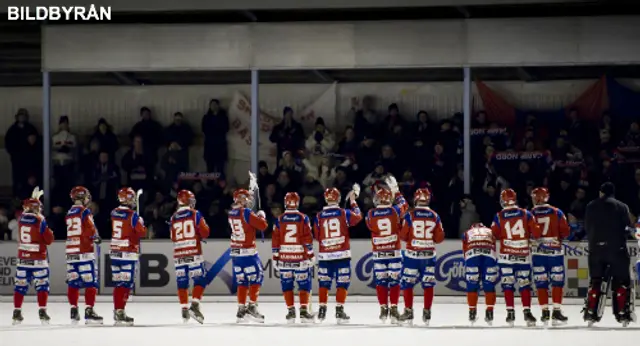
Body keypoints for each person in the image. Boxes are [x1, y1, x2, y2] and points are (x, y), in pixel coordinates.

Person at [584, 182, 634, 326]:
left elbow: (587, 227)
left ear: (601, 192)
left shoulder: (590, 206)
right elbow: (626, 227)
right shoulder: (621, 206)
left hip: (595, 249)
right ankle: (623, 313)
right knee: (621, 281)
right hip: (616, 249)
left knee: (596, 280)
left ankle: (591, 312)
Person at [491, 188, 541, 327]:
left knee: (508, 284)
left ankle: (510, 313)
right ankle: (527, 312)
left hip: (506, 255)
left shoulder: (499, 215)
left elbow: (494, 234)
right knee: (524, 284)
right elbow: (536, 232)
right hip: (523, 254)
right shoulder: (526, 213)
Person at [314, 186, 362, 324]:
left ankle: (322, 310)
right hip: (342, 255)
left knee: (324, 283)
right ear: (338, 198)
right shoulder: (343, 213)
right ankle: (339, 310)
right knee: (342, 282)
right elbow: (358, 217)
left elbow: (317, 236)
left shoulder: (318, 216)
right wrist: (353, 202)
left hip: (325, 256)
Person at [398, 188, 444, 326]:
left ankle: (408, 311)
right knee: (428, 284)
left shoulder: (410, 215)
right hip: (429, 255)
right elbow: (440, 237)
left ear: (416, 199)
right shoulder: (435, 215)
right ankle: (427, 311)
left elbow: (402, 236)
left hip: (412, 255)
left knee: (407, 284)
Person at [365, 182, 407, 324]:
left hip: (379, 253)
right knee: (395, 281)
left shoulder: (370, 214)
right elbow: (404, 205)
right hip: (394, 252)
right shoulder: (395, 210)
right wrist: (397, 192)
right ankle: (394, 309)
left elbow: (370, 226)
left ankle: (383, 308)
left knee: (381, 281)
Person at [271, 192, 315, 323]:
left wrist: (275, 257)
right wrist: (311, 255)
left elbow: (275, 240)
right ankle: (303, 312)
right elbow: (307, 239)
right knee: (304, 285)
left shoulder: (279, 219)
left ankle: (290, 312)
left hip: (284, 259)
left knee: (287, 285)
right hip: (300, 258)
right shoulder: (303, 218)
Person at [530, 187, 570, 325]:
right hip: (555, 253)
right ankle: (557, 311)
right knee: (557, 282)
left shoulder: (530, 213)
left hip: (538, 253)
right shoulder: (556, 212)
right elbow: (565, 232)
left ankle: (545, 312)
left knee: (541, 283)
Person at [227, 188, 269, 323]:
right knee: (257, 277)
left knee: (242, 280)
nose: (248, 200)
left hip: (236, 253)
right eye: (245, 197)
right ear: (239, 198)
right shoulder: (246, 212)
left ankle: (241, 309)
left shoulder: (231, 213)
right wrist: (262, 215)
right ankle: (252, 306)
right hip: (248, 252)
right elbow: (262, 225)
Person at [170, 190, 210, 324]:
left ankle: (184, 309)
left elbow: (173, 237)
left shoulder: (173, 217)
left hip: (179, 253)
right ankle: (194, 305)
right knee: (200, 280)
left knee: (182, 282)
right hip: (193, 252)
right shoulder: (195, 214)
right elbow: (205, 232)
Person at [12, 197, 54, 325]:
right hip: (38, 260)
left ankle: (17, 311)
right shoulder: (40, 219)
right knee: (42, 287)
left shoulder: (20, 219)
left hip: (23, 259)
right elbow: (49, 239)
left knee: (20, 287)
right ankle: (42, 311)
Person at [65, 186, 103, 325]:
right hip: (84, 251)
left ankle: (73, 309)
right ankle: (89, 310)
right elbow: (89, 228)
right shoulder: (85, 211)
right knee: (91, 282)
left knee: (73, 282)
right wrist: (95, 237)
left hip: (71, 252)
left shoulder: (69, 212)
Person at [110, 187, 147, 326]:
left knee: (118, 284)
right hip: (128, 253)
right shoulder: (133, 216)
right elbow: (141, 233)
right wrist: (141, 222)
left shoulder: (114, 212)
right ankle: (120, 312)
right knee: (126, 285)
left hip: (115, 252)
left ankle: (117, 310)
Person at [462, 223, 498, 325]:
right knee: (489, 284)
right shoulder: (490, 231)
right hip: (489, 254)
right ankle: (490, 312)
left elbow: (464, 249)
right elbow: (494, 246)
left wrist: (467, 261)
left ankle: (472, 312)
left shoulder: (467, 232)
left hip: (472, 254)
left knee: (472, 284)